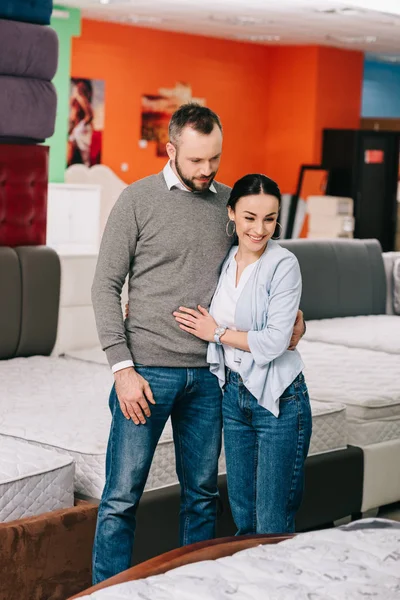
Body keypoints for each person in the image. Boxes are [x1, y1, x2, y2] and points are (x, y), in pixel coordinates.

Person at [91, 104, 305, 583]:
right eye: (196, 161)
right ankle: (105, 592)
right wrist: (122, 369)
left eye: (215, 159)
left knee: (203, 495)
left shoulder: (231, 205)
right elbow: (104, 287)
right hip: (145, 373)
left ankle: (196, 589)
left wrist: (296, 315)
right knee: (122, 496)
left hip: (212, 375)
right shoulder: (136, 200)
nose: (207, 170)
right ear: (171, 150)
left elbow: (264, 262)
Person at [173, 173, 312, 534]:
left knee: (272, 525)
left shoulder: (284, 265)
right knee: (244, 521)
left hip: (278, 400)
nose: (260, 228)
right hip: (233, 397)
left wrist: (216, 334)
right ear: (231, 213)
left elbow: (273, 342)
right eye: (250, 217)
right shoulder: (227, 258)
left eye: (270, 218)